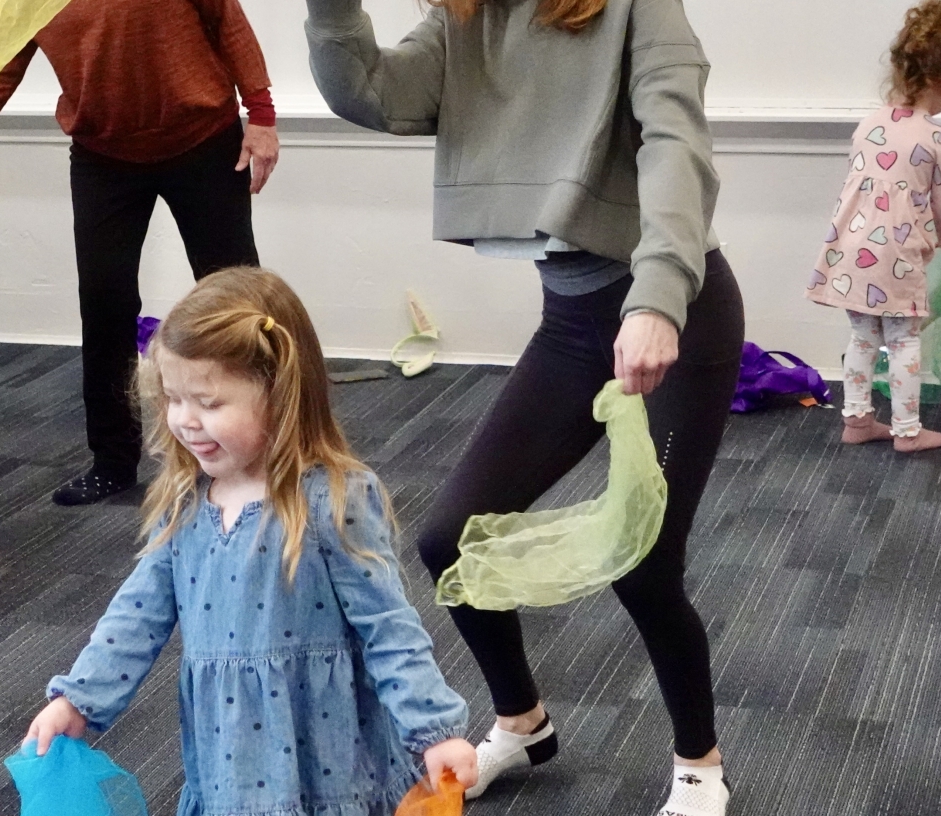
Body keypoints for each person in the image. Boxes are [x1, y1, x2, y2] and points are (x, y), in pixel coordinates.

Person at [306, 0, 743, 811]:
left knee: (645, 562)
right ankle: (523, 723)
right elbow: (369, 91)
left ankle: (700, 763)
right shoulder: (468, 17)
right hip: (577, 325)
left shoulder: (635, 8)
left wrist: (658, 299)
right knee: (450, 542)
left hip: (676, 313)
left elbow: (677, 145)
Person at [22, 267, 478, 812]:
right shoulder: (186, 499)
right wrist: (80, 697)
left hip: (329, 759)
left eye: (210, 404)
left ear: (282, 394)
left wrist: (435, 729)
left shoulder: (330, 499)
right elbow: (136, 615)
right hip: (228, 759)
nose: (186, 422)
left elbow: (389, 629)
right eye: (173, 398)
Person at [0, 0, 280, 507]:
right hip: (102, 155)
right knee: (105, 303)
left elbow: (229, 23)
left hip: (203, 140)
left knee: (237, 305)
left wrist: (261, 116)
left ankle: (270, 451)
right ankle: (112, 461)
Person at [806, 0, 941, 453]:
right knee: (902, 342)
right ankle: (907, 430)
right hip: (896, 258)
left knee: (863, 335)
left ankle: (857, 420)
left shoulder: (868, 125)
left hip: (850, 248)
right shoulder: (937, 138)